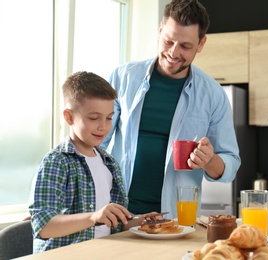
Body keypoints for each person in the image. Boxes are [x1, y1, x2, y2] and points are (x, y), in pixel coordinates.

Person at [101, 0, 241, 219]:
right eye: (168, 41)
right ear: (159, 31)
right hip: (119, 215)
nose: (173, 53)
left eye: (185, 46)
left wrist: (210, 160)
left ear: (201, 44)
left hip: (175, 220)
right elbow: (91, 143)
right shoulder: (122, 78)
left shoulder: (213, 95)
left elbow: (230, 164)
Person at [28, 71, 142, 253]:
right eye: (94, 118)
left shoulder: (109, 163)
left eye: (109, 118)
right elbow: (44, 226)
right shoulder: (56, 162)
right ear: (69, 117)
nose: (103, 126)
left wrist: (138, 222)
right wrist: (94, 217)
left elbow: (113, 223)